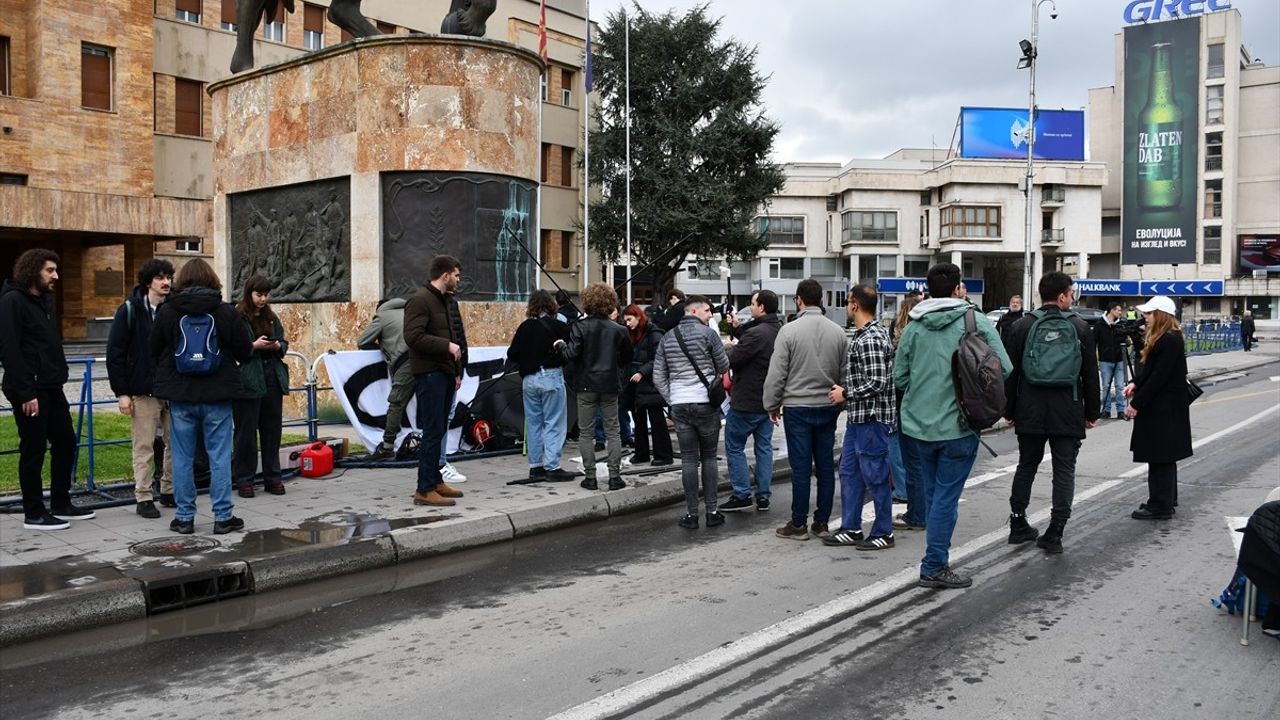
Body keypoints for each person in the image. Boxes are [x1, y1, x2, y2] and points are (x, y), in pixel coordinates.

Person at [894, 263, 1011, 588]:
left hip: (918, 426)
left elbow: (899, 377)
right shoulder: (975, 321)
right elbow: (1005, 367)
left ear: (928, 289)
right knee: (946, 497)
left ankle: (935, 560)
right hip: (960, 424)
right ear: (959, 287)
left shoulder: (914, 328)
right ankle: (934, 565)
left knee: (934, 495)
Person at [149, 258, 253, 535]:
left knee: (182, 457)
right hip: (218, 395)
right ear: (212, 280)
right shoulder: (224, 311)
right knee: (219, 457)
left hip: (181, 397)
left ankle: (184, 518)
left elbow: (153, 347)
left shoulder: (168, 311)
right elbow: (245, 351)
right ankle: (222, 517)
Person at [1002, 272, 1101, 554]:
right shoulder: (1081, 327)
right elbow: (1090, 375)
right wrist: (1092, 411)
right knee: (1064, 470)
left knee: (1027, 465)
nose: (1072, 298)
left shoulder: (1021, 326)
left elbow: (1011, 372)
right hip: (1067, 409)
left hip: (1029, 408)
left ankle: (1018, 523)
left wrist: (1009, 409)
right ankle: (1055, 531)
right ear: (1061, 296)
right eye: (1070, 293)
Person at [0, 249, 94, 530]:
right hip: (29, 389)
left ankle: (61, 503)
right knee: (34, 448)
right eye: (49, 270)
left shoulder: (43, 302)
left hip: (51, 386)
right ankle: (34, 512)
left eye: (55, 270)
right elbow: (9, 349)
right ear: (32, 271)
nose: (56, 276)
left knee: (65, 441)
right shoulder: (12, 301)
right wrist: (26, 392)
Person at [764, 278, 849, 541]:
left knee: (800, 468)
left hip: (797, 407)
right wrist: (842, 399)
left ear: (798, 300)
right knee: (825, 466)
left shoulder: (789, 331)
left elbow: (777, 373)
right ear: (821, 300)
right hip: (827, 405)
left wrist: (771, 404)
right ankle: (822, 522)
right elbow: (845, 372)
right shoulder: (838, 332)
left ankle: (798, 523)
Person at [826, 283, 897, 551]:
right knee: (849, 472)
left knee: (875, 475)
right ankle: (851, 527)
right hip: (860, 418)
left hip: (872, 418)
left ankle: (883, 532)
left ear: (854, 304)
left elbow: (877, 381)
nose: (847, 307)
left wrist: (846, 393)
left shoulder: (870, 338)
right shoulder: (866, 334)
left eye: (847, 303)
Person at [106, 258, 176, 519]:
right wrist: (122, 392)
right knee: (144, 445)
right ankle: (144, 496)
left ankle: (169, 490)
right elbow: (115, 353)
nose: (166, 282)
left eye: (168, 276)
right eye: (160, 277)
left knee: (175, 444)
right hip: (143, 389)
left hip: (172, 389)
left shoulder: (175, 309)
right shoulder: (130, 310)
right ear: (149, 281)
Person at [653, 295, 730, 529]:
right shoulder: (709, 335)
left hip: (680, 405)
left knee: (688, 458)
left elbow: (658, 375)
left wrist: (672, 398)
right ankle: (713, 511)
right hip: (705, 404)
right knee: (708, 457)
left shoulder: (667, 337)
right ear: (694, 311)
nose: (711, 315)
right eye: (707, 311)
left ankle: (691, 514)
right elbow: (724, 366)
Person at [554, 282, 633, 491]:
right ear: (611, 304)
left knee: (586, 433)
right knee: (613, 431)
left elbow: (570, 355)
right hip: (610, 385)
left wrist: (561, 345)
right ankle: (615, 476)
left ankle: (590, 477)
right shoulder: (620, 330)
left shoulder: (580, 327)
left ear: (587, 302)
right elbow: (627, 359)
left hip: (586, 385)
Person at [403, 255, 467, 507]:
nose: (458, 280)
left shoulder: (444, 300)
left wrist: (456, 371)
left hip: (444, 373)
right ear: (445, 275)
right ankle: (424, 488)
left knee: (439, 430)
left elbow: (454, 338)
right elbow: (413, 337)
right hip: (429, 375)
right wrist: (447, 346)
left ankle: (436, 480)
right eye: (457, 275)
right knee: (432, 432)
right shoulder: (420, 300)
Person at [1123, 295, 1192, 520]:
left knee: (1159, 455)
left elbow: (1158, 378)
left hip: (1163, 408)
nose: (1145, 316)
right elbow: (1152, 372)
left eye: (1150, 313)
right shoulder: (1166, 338)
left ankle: (1160, 505)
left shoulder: (1168, 340)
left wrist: (1136, 403)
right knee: (1164, 455)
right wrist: (1135, 383)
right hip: (1166, 407)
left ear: (1161, 316)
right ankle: (1166, 498)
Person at [721, 289, 782, 512]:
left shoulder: (757, 333)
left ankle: (742, 493)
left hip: (747, 399)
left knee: (734, 445)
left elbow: (735, 359)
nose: (751, 307)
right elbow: (752, 343)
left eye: (753, 304)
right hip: (769, 400)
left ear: (762, 307)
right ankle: (764, 495)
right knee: (763, 448)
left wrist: (729, 348)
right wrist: (737, 328)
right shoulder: (777, 329)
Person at [507, 289, 576, 482]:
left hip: (529, 380)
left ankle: (535, 466)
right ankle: (552, 466)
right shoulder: (558, 326)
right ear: (551, 305)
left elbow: (512, 354)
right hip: (551, 376)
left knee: (534, 423)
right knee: (554, 422)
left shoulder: (524, 327)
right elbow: (572, 349)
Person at [232, 275, 290, 498]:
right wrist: (253, 346)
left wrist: (277, 346)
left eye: (266, 295)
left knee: (272, 430)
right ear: (249, 293)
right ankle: (245, 480)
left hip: (272, 377)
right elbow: (234, 347)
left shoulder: (271, 316)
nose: (263, 299)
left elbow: (284, 341)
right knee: (246, 433)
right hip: (248, 379)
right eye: (259, 295)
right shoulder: (238, 316)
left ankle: (272, 477)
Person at [357, 296, 411, 460]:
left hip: (407, 362)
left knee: (396, 403)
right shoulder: (411, 310)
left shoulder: (382, 316)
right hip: (428, 359)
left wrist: (382, 347)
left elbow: (362, 341)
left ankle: (387, 447)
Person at [621, 305, 673, 467]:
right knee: (639, 419)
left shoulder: (653, 333)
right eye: (625, 321)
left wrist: (642, 372)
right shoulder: (632, 333)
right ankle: (642, 453)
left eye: (629, 320)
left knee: (656, 420)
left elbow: (658, 358)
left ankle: (663, 455)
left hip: (649, 382)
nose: (627, 324)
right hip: (635, 382)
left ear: (638, 317)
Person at [889, 294, 925, 528]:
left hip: (902, 402)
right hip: (923, 403)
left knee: (904, 451)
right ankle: (921, 505)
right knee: (921, 457)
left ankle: (913, 505)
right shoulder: (925, 335)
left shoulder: (900, 339)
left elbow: (898, 377)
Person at [438, 281, 470, 484]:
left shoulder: (449, 303)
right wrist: (458, 371)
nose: (459, 280)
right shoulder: (445, 305)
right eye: (456, 275)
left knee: (444, 417)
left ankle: (440, 463)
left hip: (450, 370)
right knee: (441, 417)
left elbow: (458, 339)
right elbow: (455, 340)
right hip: (446, 370)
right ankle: (440, 464)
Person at [1094, 302, 1130, 420]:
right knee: (1106, 386)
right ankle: (1106, 410)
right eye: (1118, 310)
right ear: (1111, 311)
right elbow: (1094, 341)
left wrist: (1128, 341)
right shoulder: (1100, 324)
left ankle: (1120, 410)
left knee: (1120, 386)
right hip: (1105, 360)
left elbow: (1126, 341)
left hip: (1119, 359)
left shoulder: (1121, 325)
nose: (1120, 313)